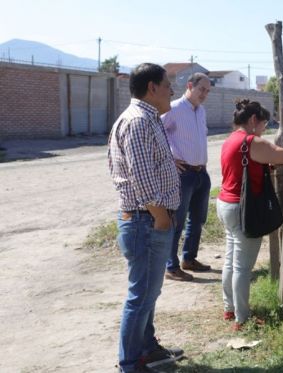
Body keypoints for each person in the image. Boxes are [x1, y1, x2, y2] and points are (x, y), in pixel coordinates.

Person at [108, 63, 183, 373]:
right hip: (146, 221)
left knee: (150, 293)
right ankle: (129, 364)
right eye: (167, 85)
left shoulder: (146, 119)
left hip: (148, 220)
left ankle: (147, 348)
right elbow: (142, 178)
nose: (172, 91)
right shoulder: (138, 121)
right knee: (140, 297)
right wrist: (161, 217)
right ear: (152, 88)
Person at [217, 99, 283, 330]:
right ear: (253, 120)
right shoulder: (249, 141)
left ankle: (230, 308)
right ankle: (242, 318)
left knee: (231, 260)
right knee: (242, 267)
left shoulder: (230, 140)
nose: (264, 130)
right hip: (243, 208)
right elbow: (282, 155)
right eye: (264, 124)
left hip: (226, 203)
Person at [162, 72, 213, 282]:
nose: (204, 94)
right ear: (190, 85)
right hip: (183, 175)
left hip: (201, 173)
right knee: (177, 221)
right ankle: (171, 266)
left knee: (197, 220)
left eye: (208, 91)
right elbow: (156, 132)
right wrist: (169, 159)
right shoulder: (173, 109)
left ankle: (189, 259)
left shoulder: (200, 111)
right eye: (202, 89)